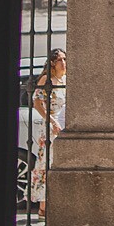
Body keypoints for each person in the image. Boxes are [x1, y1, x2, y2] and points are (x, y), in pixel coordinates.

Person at [27, 48, 67, 215]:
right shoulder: (47, 79)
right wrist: (51, 120)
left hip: (63, 124)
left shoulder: (64, 79)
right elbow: (37, 103)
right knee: (46, 163)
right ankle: (43, 207)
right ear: (52, 63)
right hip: (49, 126)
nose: (63, 63)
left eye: (65, 59)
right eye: (60, 60)